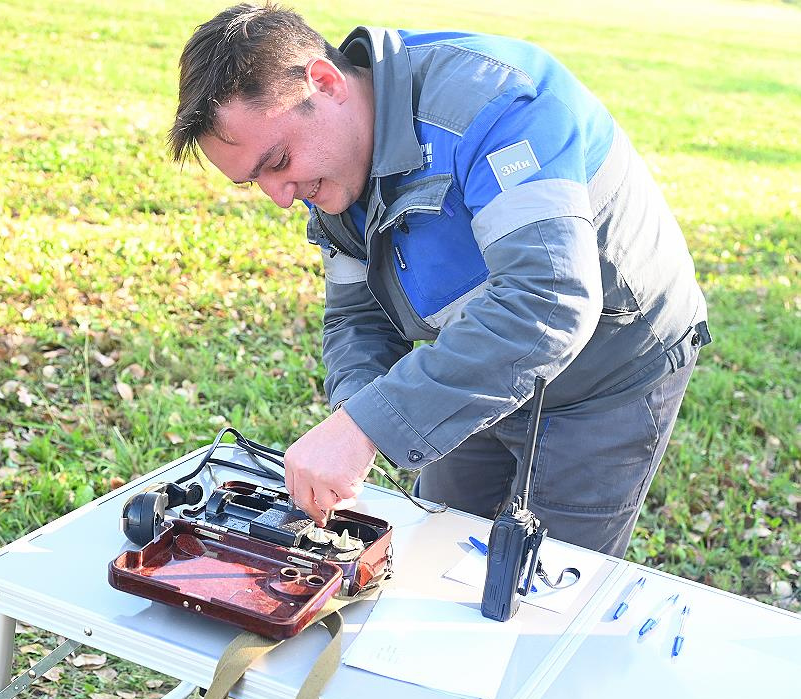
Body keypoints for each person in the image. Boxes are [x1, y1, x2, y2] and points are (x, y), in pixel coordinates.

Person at [171, 7, 708, 569]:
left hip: (612, 369)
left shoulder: (496, 105)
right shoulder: (328, 165)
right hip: (475, 355)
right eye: (254, 180)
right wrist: (357, 415)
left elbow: (548, 301)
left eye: (278, 161)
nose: (281, 196)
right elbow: (358, 316)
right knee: (435, 557)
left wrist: (366, 426)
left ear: (325, 83)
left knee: (549, 586)